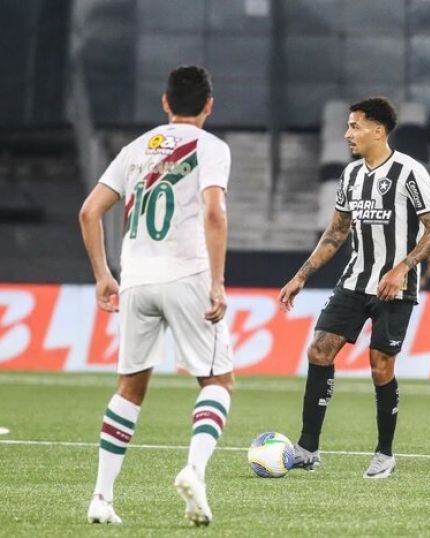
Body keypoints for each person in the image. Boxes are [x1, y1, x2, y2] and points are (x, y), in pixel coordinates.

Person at [79, 66, 233, 526]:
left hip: (136, 279)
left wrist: (103, 275)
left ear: (165, 103)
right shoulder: (211, 147)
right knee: (217, 382)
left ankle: (102, 497)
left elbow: (89, 212)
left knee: (129, 388)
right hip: (187, 274)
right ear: (209, 105)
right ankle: (194, 471)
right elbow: (213, 211)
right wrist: (217, 282)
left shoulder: (135, 149)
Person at [279, 97, 430, 479]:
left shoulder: (409, 172)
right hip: (355, 281)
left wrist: (402, 268)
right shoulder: (351, 175)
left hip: (395, 287)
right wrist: (302, 275)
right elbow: (337, 232)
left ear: (378, 130)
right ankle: (308, 448)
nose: (347, 134)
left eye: (354, 126)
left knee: (380, 367)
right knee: (319, 350)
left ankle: (385, 453)